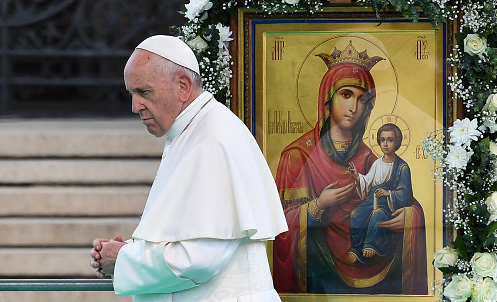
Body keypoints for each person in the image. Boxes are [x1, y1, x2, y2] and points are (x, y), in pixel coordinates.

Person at [89, 35, 288, 302]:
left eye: (144, 92)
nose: (135, 106)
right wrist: (133, 249)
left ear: (183, 86)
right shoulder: (192, 132)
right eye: (132, 94)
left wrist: (124, 259)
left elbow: (198, 259)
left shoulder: (211, 139)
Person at [272, 41, 427, 295]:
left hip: (370, 272)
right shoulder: (297, 156)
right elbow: (279, 226)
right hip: (317, 279)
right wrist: (318, 205)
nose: (354, 107)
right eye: (346, 95)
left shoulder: (369, 157)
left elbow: (401, 197)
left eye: (362, 100)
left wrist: (410, 217)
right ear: (327, 98)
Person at [347, 123, 414, 264]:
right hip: (372, 199)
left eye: (390, 140)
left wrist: (388, 193)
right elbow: (368, 181)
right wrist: (357, 177)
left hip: (389, 205)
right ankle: (356, 248)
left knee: (377, 215)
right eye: (382, 140)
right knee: (355, 215)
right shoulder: (377, 163)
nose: (385, 144)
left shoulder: (402, 167)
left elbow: (405, 195)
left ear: (397, 142)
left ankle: (372, 246)